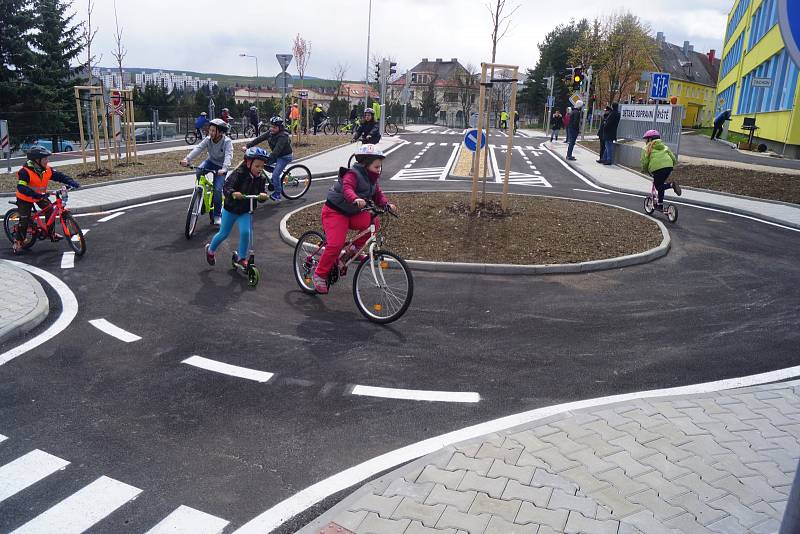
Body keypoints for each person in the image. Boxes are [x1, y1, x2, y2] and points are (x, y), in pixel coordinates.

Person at [311, 145, 396, 294]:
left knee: (373, 222)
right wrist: (355, 198)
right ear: (365, 164)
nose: (379, 170)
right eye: (376, 167)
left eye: (380, 167)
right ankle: (319, 274)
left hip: (352, 212)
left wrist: (386, 204)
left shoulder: (371, 180)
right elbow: (347, 188)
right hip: (334, 212)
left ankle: (353, 249)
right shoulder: (352, 174)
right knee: (335, 244)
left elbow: (378, 195)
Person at [204, 147, 269, 268]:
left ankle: (241, 257)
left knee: (245, 233)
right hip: (231, 209)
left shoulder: (261, 178)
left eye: (262, 166)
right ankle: (210, 250)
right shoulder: (238, 174)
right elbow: (227, 187)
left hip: (245, 211)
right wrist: (233, 193)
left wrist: (263, 196)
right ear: (248, 163)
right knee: (223, 233)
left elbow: (262, 192)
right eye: (257, 166)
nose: (260, 169)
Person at [12, 146, 80, 253]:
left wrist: (71, 182)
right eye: (45, 159)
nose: (47, 161)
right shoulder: (24, 172)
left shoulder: (46, 170)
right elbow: (21, 187)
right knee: (25, 220)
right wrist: (35, 194)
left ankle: (50, 234)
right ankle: (18, 241)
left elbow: (60, 176)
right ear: (36, 160)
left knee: (50, 210)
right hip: (25, 198)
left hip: (40, 196)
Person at [180, 118, 233, 225]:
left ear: (221, 132)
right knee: (199, 170)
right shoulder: (208, 140)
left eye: (214, 131)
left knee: (217, 190)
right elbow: (198, 148)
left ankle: (217, 215)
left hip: (221, 167)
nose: (211, 133)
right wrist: (187, 159)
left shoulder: (227, 142)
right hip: (210, 161)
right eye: (210, 130)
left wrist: (224, 169)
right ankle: (201, 195)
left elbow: (228, 156)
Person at [244, 116, 293, 201]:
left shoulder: (283, 137)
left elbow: (277, 151)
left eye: (275, 127)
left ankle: (278, 194)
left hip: (284, 157)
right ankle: (274, 176)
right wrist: (247, 146)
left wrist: (268, 158)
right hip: (276, 155)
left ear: (280, 128)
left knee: (275, 174)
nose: (272, 129)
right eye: (271, 126)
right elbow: (259, 139)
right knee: (262, 164)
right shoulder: (270, 133)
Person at [641, 129, 681, 210]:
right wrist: (671, 166)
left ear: (650, 139)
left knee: (658, 187)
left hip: (658, 169)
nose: (645, 141)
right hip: (668, 167)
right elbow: (673, 158)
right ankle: (660, 204)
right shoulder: (665, 147)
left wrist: (644, 170)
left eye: (646, 139)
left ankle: (671, 185)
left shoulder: (646, 148)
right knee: (661, 185)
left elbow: (644, 161)